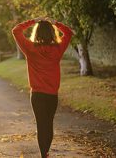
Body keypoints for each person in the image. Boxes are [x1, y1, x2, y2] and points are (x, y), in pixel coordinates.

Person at [12, 16, 74, 158]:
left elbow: (16, 31)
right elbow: (69, 33)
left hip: (37, 95)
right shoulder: (57, 49)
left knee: (41, 125)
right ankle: (46, 153)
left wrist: (33, 21)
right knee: (49, 124)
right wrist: (55, 23)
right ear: (52, 33)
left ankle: (43, 155)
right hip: (52, 95)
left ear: (37, 33)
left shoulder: (30, 49)